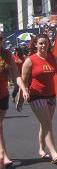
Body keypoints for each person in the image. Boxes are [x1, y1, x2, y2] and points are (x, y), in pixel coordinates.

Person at [21, 34, 57, 164]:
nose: (43, 45)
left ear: (49, 44)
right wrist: (22, 95)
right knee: (48, 123)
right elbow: (23, 80)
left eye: (46, 43)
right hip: (36, 95)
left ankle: (41, 148)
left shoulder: (53, 58)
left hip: (50, 96)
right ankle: (54, 152)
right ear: (36, 45)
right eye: (41, 43)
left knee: (44, 124)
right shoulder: (30, 60)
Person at [0, 32, 29, 167]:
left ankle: (2, 154)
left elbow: (16, 76)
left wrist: (23, 88)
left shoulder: (6, 55)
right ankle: (3, 154)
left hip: (3, 95)